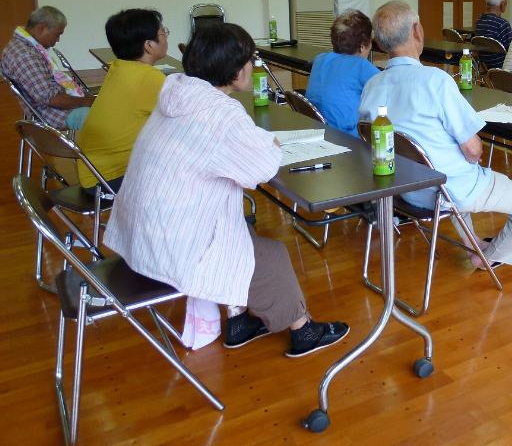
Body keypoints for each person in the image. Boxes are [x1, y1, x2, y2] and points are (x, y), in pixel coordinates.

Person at [104, 23, 348, 357]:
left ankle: (239, 322)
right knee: (267, 254)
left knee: (240, 230)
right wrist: (270, 143)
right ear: (234, 70)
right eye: (250, 59)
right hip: (171, 242)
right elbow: (261, 168)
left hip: (139, 229)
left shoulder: (176, 92)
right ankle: (302, 331)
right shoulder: (221, 113)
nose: (253, 65)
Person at [359, 1, 512, 270]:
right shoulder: (435, 80)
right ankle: (488, 257)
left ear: (379, 43)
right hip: (448, 191)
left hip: (404, 190)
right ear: (417, 31)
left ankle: (473, 241)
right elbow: (473, 150)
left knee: (449, 163)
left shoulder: (372, 85)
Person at [75, 9, 169, 193]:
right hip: (108, 181)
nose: (166, 37)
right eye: (163, 32)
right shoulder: (148, 77)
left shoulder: (118, 67)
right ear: (149, 45)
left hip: (92, 173)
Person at [1, 5, 94, 129]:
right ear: (41, 29)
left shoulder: (25, 46)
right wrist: (87, 101)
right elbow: (52, 99)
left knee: (112, 110)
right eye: (57, 34)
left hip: (57, 106)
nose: (58, 40)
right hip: (56, 115)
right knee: (111, 119)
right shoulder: (25, 55)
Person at [305, 9, 379, 136]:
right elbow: (387, 84)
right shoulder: (361, 66)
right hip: (347, 137)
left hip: (317, 129)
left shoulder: (320, 59)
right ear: (362, 46)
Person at [474, 0, 512, 70]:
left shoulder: (480, 21)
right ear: (502, 4)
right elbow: (511, 48)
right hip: (501, 65)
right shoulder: (503, 23)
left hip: (485, 64)